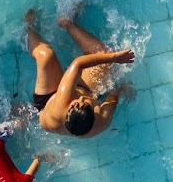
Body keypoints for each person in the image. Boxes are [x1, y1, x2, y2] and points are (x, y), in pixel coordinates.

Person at [23, 8, 135, 139]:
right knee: (103, 56)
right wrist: (122, 88)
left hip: (49, 98)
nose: (80, 98)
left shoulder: (62, 103)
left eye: (76, 103)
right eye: (86, 102)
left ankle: (29, 29)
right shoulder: (101, 119)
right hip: (82, 89)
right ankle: (68, 23)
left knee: (46, 55)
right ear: (95, 110)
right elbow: (114, 94)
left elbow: (78, 64)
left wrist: (115, 57)